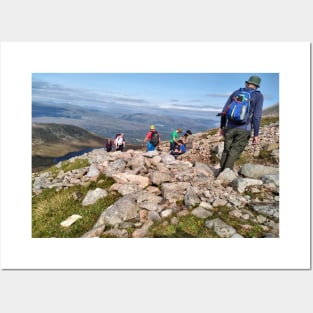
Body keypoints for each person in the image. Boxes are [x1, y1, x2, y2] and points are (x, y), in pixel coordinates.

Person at [218, 75, 264, 172]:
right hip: (244, 128)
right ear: (257, 86)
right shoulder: (258, 96)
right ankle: (226, 173)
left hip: (229, 127)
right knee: (234, 151)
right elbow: (257, 116)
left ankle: (221, 171)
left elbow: (224, 111)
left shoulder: (236, 92)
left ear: (247, 83)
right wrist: (256, 134)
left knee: (226, 150)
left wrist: (222, 127)